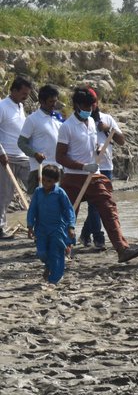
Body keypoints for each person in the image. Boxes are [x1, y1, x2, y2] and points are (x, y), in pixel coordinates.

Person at [55, 88, 138, 264]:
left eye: (91, 105)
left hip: (94, 176)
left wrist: (95, 152)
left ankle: (122, 248)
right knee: (67, 216)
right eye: (85, 105)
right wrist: (82, 165)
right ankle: (61, 251)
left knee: (109, 209)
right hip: (73, 178)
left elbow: (98, 144)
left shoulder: (92, 122)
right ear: (76, 105)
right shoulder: (67, 127)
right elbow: (60, 156)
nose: (89, 108)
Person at [78, 89, 124, 252]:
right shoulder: (81, 119)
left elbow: (121, 140)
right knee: (94, 204)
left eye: (94, 102)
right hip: (89, 166)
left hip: (106, 167)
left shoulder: (107, 119)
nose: (92, 106)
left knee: (99, 204)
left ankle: (85, 233)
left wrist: (108, 129)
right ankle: (98, 237)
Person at [26, 164, 74, 284]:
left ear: (56, 181)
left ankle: (54, 281)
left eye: (49, 181)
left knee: (55, 253)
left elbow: (69, 209)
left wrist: (71, 226)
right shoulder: (38, 192)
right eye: (44, 180)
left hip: (57, 229)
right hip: (41, 228)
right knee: (42, 252)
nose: (46, 183)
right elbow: (32, 210)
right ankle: (49, 265)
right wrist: (30, 226)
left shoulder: (60, 193)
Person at [0, 76, 33, 239]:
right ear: (13, 90)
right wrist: (1, 152)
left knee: (35, 188)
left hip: (23, 156)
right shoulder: (2, 106)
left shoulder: (20, 106)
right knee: (4, 194)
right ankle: (0, 227)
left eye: (27, 94)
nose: (26, 96)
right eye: (23, 93)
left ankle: (39, 223)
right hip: (6, 157)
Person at [18, 84, 62, 190]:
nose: (54, 105)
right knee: (39, 203)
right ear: (42, 101)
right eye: (51, 101)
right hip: (40, 169)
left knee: (55, 203)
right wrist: (35, 154)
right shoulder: (32, 119)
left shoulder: (58, 119)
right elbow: (21, 143)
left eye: (55, 101)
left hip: (57, 169)